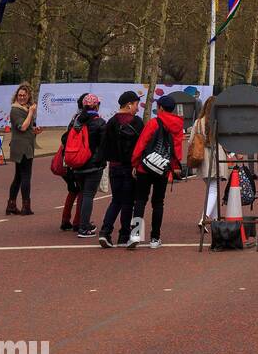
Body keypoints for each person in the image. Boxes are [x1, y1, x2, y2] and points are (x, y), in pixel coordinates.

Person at [128, 95, 184, 249]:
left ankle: (135, 235)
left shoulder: (154, 123)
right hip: (163, 168)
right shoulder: (178, 126)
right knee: (158, 203)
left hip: (145, 167)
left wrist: (135, 162)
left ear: (160, 107)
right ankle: (155, 238)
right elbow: (176, 150)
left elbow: (142, 143)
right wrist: (174, 169)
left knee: (140, 201)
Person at [99, 90, 143, 247]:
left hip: (115, 167)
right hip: (131, 167)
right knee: (130, 202)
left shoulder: (111, 122)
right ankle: (125, 235)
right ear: (129, 104)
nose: (138, 108)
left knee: (116, 200)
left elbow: (104, 147)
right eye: (136, 105)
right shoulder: (137, 122)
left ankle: (105, 231)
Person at [65, 94, 108, 238]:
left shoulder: (76, 121)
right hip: (93, 164)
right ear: (96, 106)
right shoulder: (100, 122)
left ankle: (82, 223)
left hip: (77, 163)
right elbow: (104, 145)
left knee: (83, 193)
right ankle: (83, 227)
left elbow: (65, 138)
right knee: (89, 195)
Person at [186, 94, 229, 224]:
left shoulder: (198, 122)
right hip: (217, 156)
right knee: (214, 190)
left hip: (202, 158)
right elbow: (226, 140)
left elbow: (190, 141)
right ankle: (204, 218)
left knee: (211, 189)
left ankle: (215, 219)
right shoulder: (219, 122)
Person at [6, 83, 37, 216]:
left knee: (18, 177)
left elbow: (28, 129)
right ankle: (26, 206)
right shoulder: (16, 110)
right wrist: (30, 112)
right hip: (22, 147)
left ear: (28, 96)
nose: (22, 97)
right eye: (20, 95)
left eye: (24, 95)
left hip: (25, 145)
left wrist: (35, 131)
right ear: (16, 96)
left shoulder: (24, 108)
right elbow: (22, 127)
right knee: (25, 176)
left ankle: (11, 205)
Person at [58, 93, 87, 232]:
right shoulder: (83, 119)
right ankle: (77, 221)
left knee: (72, 190)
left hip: (68, 159)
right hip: (78, 159)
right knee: (82, 191)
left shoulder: (74, 118)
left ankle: (66, 219)